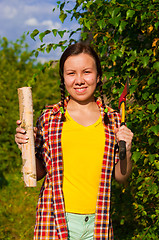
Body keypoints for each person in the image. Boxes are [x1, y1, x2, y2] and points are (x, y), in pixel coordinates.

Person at [15, 42, 133, 240]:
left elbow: (122, 177)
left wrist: (127, 150)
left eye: (86, 72)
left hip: (99, 223)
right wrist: (25, 148)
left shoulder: (113, 120)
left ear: (98, 76)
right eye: (71, 73)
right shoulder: (49, 118)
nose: (79, 80)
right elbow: (38, 173)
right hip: (53, 221)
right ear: (63, 78)